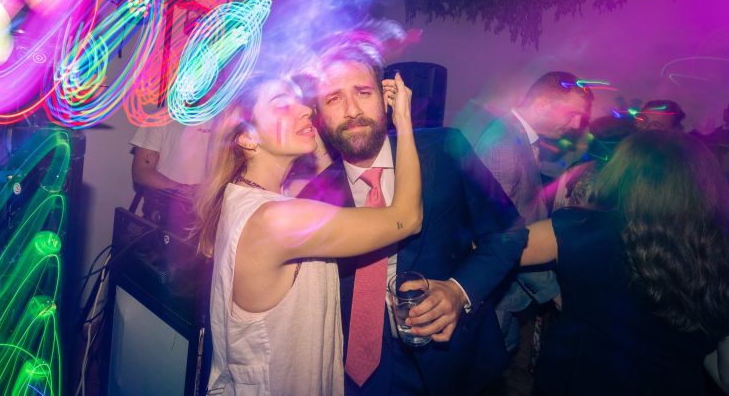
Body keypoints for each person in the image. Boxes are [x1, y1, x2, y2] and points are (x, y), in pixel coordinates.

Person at [299, 43, 528, 395]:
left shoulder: (445, 149)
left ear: (386, 96)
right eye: (333, 99)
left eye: (362, 92)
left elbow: (508, 233)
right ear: (319, 116)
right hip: (353, 369)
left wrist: (458, 291)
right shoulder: (313, 196)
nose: (351, 110)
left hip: (451, 359)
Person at [200, 72, 423, 396]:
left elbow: (321, 174)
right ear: (248, 138)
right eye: (282, 105)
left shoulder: (244, 199)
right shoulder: (278, 221)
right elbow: (408, 217)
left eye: (301, 102)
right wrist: (403, 120)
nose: (305, 110)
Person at [521, 131, 729, 395]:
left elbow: (496, 251)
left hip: (579, 381)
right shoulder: (717, 250)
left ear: (623, 174)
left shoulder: (582, 229)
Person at [475, 71, 593, 351]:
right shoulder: (502, 146)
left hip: (511, 289)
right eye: (571, 114)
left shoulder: (519, 137)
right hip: (496, 295)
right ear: (541, 104)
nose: (576, 124)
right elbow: (495, 238)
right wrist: (554, 291)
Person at [130, 118, 213, 227]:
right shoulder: (159, 117)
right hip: (164, 214)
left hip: (206, 220)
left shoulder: (226, 122)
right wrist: (184, 191)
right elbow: (141, 172)